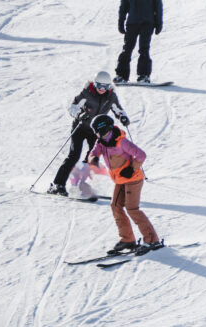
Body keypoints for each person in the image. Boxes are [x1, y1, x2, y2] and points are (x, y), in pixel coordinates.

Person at [48, 71, 130, 197]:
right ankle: (57, 184)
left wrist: (123, 117)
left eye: (105, 87)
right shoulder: (87, 93)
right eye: (99, 86)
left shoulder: (111, 96)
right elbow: (73, 107)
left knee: (91, 159)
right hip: (80, 127)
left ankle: (80, 186)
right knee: (74, 156)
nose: (101, 89)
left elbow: (118, 109)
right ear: (94, 83)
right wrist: (79, 114)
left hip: (96, 131)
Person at [87, 114, 162, 253]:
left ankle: (152, 240)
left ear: (105, 129)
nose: (97, 134)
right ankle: (127, 240)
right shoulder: (101, 142)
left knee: (132, 209)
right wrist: (93, 159)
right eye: (95, 132)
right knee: (116, 206)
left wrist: (131, 168)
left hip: (133, 179)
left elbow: (141, 155)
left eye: (98, 131)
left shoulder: (122, 142)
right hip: (120, 180)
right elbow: (93, 152)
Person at [115, 0, 163, 83]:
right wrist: (121, 22)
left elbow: (158, 6)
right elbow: (123, 6)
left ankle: (144, 75)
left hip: (147, 23)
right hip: (132, 22)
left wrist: (159, 23)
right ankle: (121, 75)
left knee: (144, 48)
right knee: (127, 48)